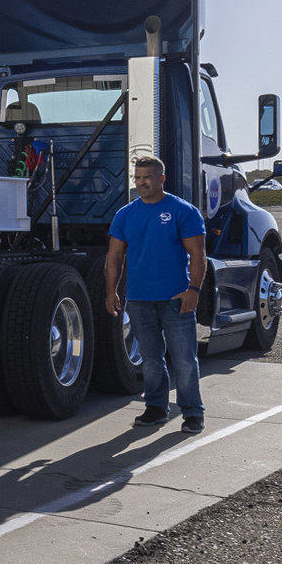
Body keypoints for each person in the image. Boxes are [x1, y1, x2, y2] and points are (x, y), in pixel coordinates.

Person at [105, 153, 209, 433]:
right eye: (137, 178)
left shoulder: (182, 211)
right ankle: (155, 409)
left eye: (147, 178)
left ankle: (192, 413)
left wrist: (193, 290)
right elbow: (114, 257)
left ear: (161, 178)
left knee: (185, 359)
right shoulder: (125, 215)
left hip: (176, 299)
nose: (141, 183)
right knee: (151, 360)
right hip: (138, 299)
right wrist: (111, 292)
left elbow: (198, 255)